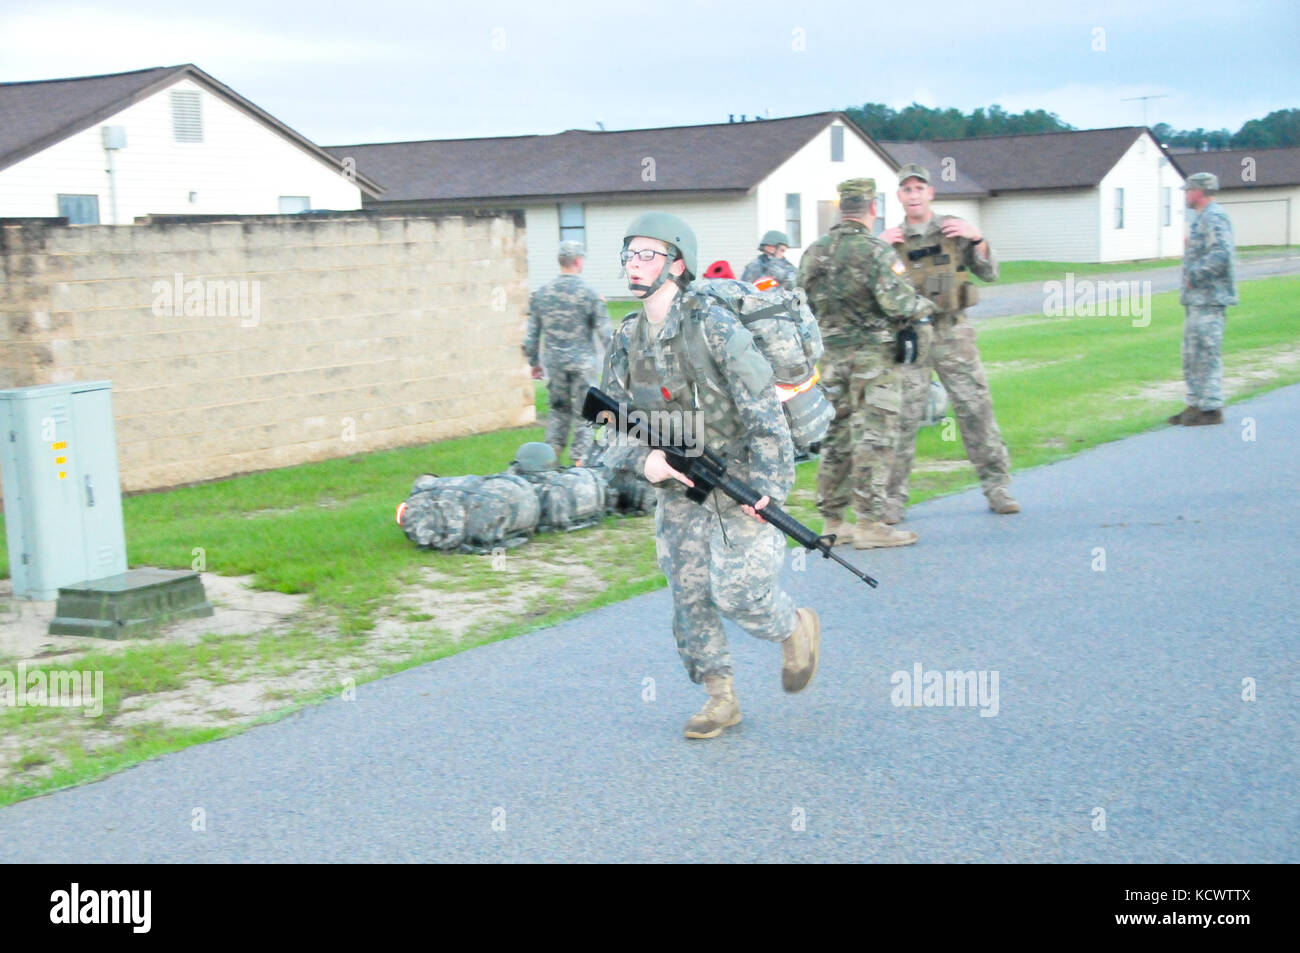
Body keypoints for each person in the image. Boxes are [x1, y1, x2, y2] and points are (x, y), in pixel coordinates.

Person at [599, 212, 820, 740]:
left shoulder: (711, 325)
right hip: (677, 483)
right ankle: (720, 697)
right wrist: (642, 461)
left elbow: (764, 412)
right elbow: (605, 423)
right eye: (630, 254)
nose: (635, 264)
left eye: (648, 254)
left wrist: (767, 489)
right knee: (689, 592)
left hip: (741, 474)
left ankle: (794, 627)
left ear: (677, 264)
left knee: (740, 594)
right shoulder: (627, 338)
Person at [798, 178, 934, 549]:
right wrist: (927, 307)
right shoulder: (876, 251)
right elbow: (899, 303)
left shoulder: (814, 252)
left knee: (836, 436)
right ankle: (871, 523)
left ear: (842, 208)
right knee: (876, 436)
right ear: (873, 208)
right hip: (873, 359)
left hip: (831, 359)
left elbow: (801, 306)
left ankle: (832, 520)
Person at [879, 163, 1019, 520]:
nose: (913, 194)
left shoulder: (955, 230)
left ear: (930, 193)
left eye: (919, 188)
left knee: (975, 409)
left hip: (953, 332)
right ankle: (892, 500)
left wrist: (978, 237)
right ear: (899, 196)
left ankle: (998, 488)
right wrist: (876, 250)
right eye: (906, 189)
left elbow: (989, 272)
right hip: (911, 336)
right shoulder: (889, 241)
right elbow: (872, 291)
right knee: (903, 417)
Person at [523, 241, 611, 465]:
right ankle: (580, 466)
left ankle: (548, 466)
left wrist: (535, 363)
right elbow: (606, 334)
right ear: (579, 261)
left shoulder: (542, 294)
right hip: (583, 364)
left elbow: (531, 336)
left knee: (558, 412)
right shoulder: (589, 294)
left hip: (555, 364)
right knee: (586, 415)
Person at [1169, 172, 1237, 427]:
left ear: (1199, 191)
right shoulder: (1201, 219)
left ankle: (1211, 408)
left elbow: (1222, 252)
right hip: (1197, 299)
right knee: (1191, 353)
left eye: (1188, 190)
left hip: (1210, 298)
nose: (1186, 195)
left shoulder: (1215, 217)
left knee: (1207, 352)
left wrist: (1195, 274)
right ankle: (1195, 404)